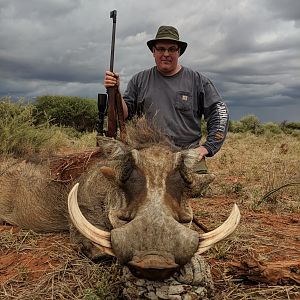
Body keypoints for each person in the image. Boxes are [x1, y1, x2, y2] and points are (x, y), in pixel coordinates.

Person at [104, 25, 229, 173]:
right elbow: (124, 114)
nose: (166, 54)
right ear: (153, 51)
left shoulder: (198, 80)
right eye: (161, 49)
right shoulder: (139, 80)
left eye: (172, 49)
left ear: (179, 52)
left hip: (186, 155)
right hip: (147, 156)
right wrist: (115, 91)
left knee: (194, 191)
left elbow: (219, 112)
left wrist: (207, 147)